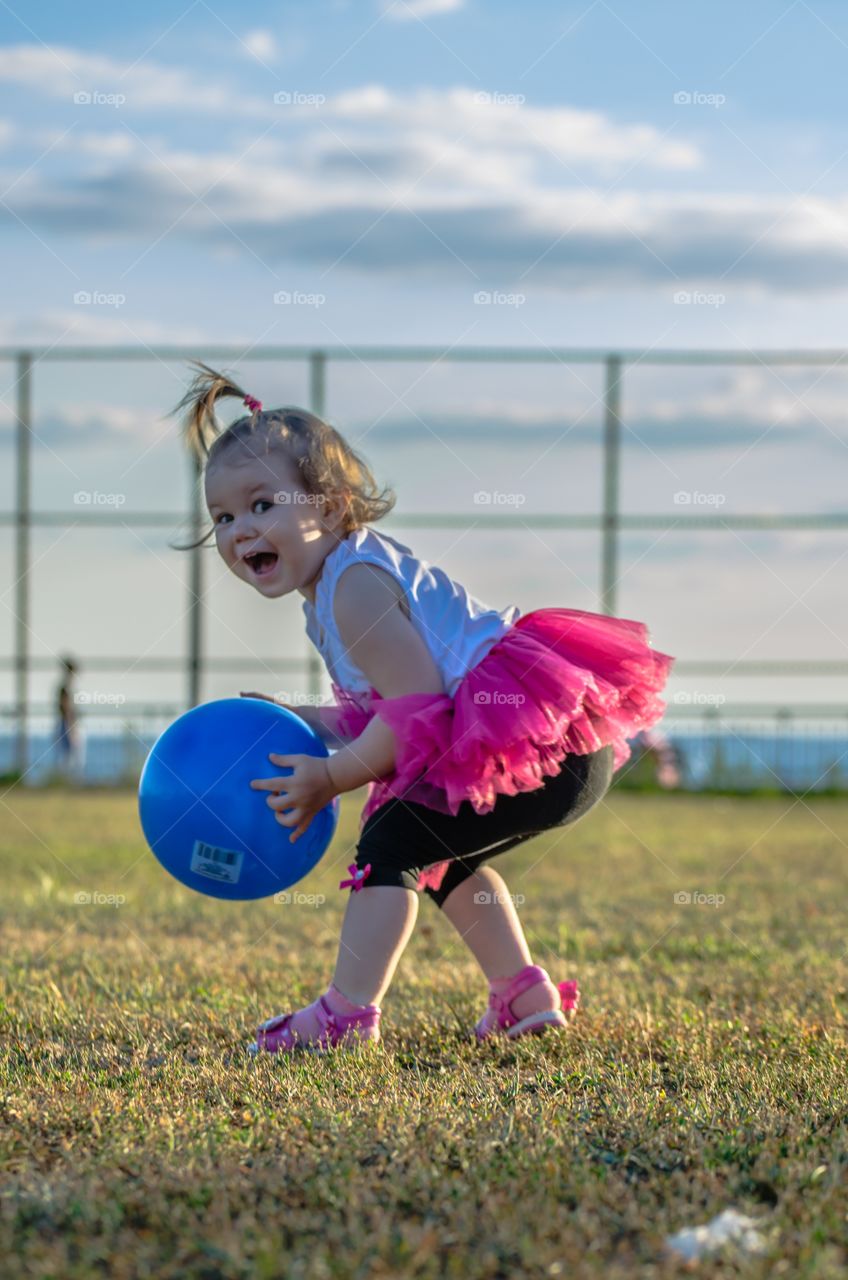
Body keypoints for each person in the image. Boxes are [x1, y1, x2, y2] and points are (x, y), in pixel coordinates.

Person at [169, 361, 676, 1055]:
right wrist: (299, 717)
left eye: (263, 505)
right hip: (555, 750)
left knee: (390, 847)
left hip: (536, 745)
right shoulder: (334, 589)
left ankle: (345, 1016)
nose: (240, 531)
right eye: (223, 517)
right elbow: (381, 706)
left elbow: (417, 709)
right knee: (440, 855)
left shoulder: (354, 589)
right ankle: (523, 998)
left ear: (328, 506)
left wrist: (332, 778)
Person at [54, 656, 85, 783]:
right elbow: (67, 710)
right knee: (68, 756)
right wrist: (72, 728)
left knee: (68, 756)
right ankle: (66, 781)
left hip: (67, 724)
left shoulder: (66, 688)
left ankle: (67, 781)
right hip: (67, 725)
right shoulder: (65, 689)